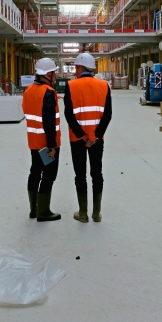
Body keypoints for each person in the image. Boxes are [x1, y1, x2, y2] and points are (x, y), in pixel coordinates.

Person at [64, 52, 112, 223]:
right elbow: (107, 115)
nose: (75, 71)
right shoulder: (104, 86)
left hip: (77, 140)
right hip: (97, 140)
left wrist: (83, 137)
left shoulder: (71, 86)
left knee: (80, 175)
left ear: (80, 67)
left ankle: (83, 213)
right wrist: (95, 136)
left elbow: (69, 115)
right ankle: (96, 214)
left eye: (76, 67)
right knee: (96, 173)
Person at [22, 58, 61, 222]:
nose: (56, 75)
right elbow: (49, 121)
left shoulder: (29, 90)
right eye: (55, 72)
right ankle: (43, 212)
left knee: (35, 172)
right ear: (48, 74)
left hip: (34, 142)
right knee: (49, 175)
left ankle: (34, 209)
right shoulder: (48, 92)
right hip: (46, 144)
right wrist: (52, 146)